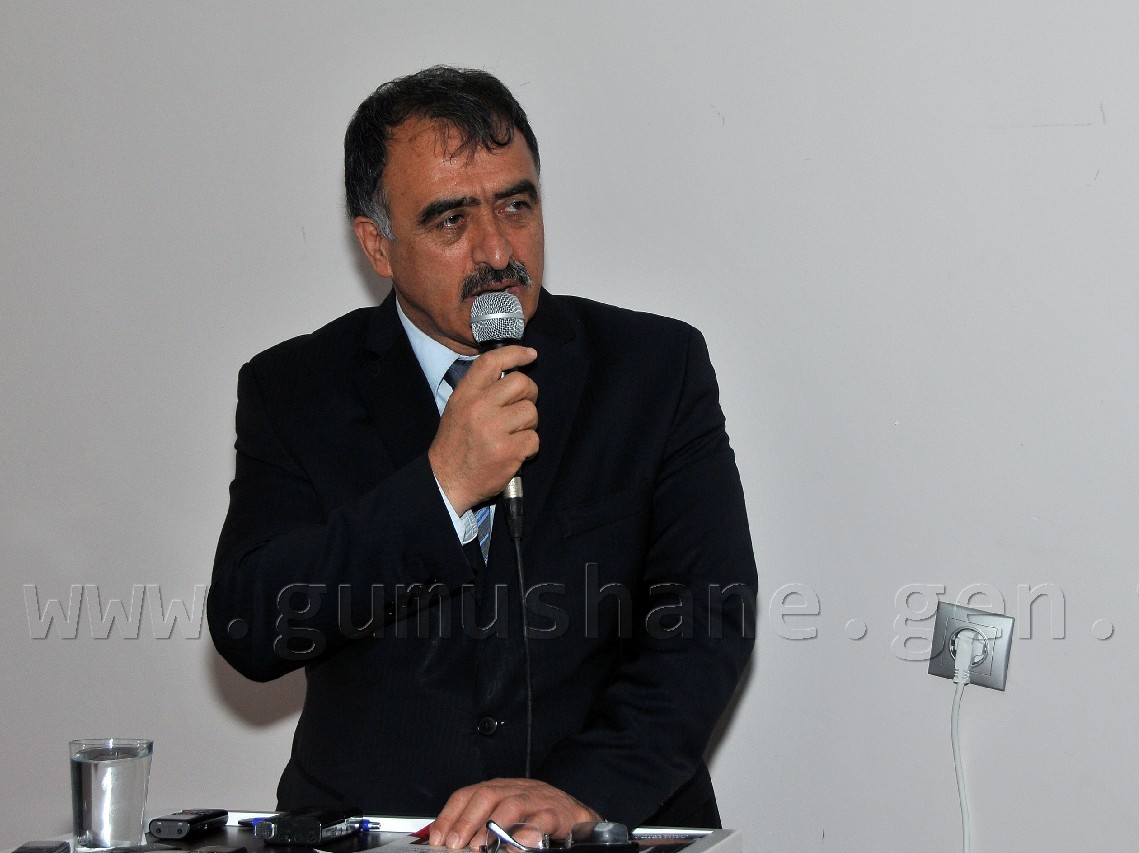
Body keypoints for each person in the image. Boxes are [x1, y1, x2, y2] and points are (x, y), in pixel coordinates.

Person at [209, 66, 756, 851]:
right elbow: (251, 624)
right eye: (450, 221)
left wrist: (581, 792)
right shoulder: (295, 388)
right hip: (388, 828)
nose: (498, 249)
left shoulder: (653, 369)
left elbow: (707, 617)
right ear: (378, 244)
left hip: (604, 821)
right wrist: (440, 489)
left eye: (516, 204)